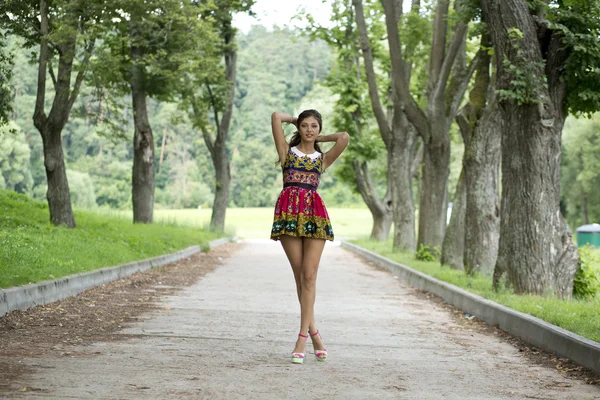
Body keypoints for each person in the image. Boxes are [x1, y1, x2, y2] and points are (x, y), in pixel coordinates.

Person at [270, 109, 349, 364]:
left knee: (309, 275)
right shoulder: (287, 153)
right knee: (299, 276)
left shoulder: (322, 158)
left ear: (319, 129)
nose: (309, 130)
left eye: (314, 126)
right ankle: (315, 334)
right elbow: (275, 117)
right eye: (305, 126)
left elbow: (344, 137)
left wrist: (320, 138)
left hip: (315, 216)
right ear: (298, 128)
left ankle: (302, 337)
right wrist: (293, 120)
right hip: (289, 214)